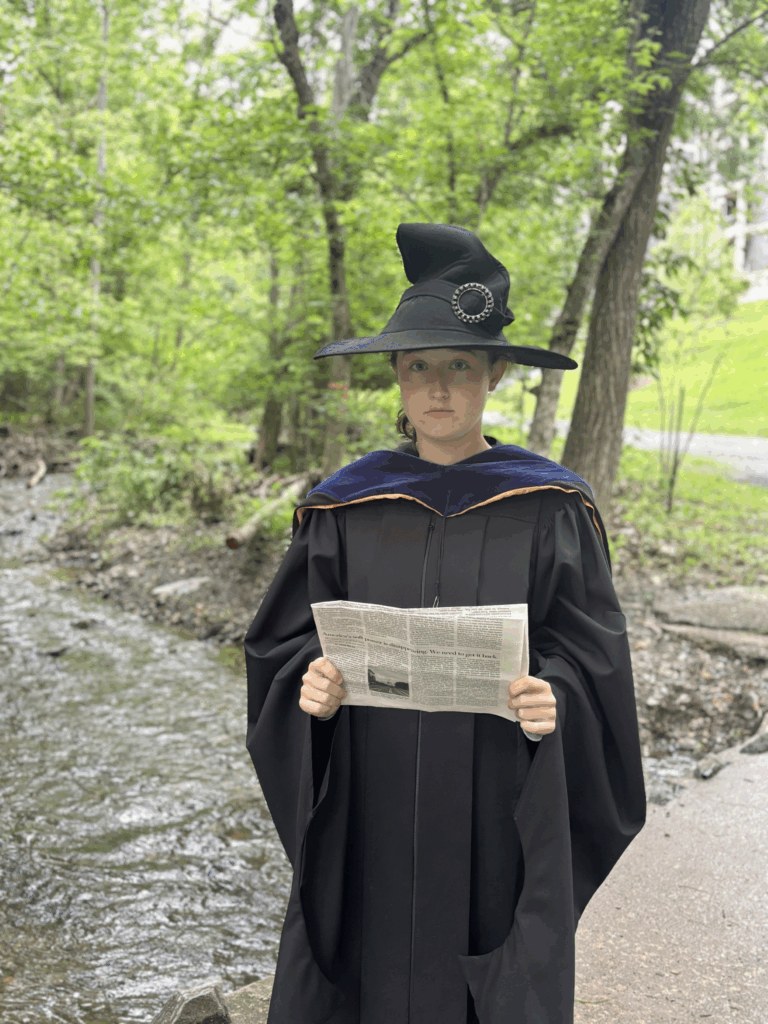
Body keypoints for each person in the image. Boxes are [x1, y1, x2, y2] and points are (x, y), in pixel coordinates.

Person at [244, 223, 646, 1024]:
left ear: (495, 373)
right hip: (371, 794)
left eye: (459, 366)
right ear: (395, 379)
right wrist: (309, 682)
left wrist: (555, 695)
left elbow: (590, 653)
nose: (438, 388)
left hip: (495, 803)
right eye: (418, 367)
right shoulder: (344, 506)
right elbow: (283, 645)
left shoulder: (548, 506)